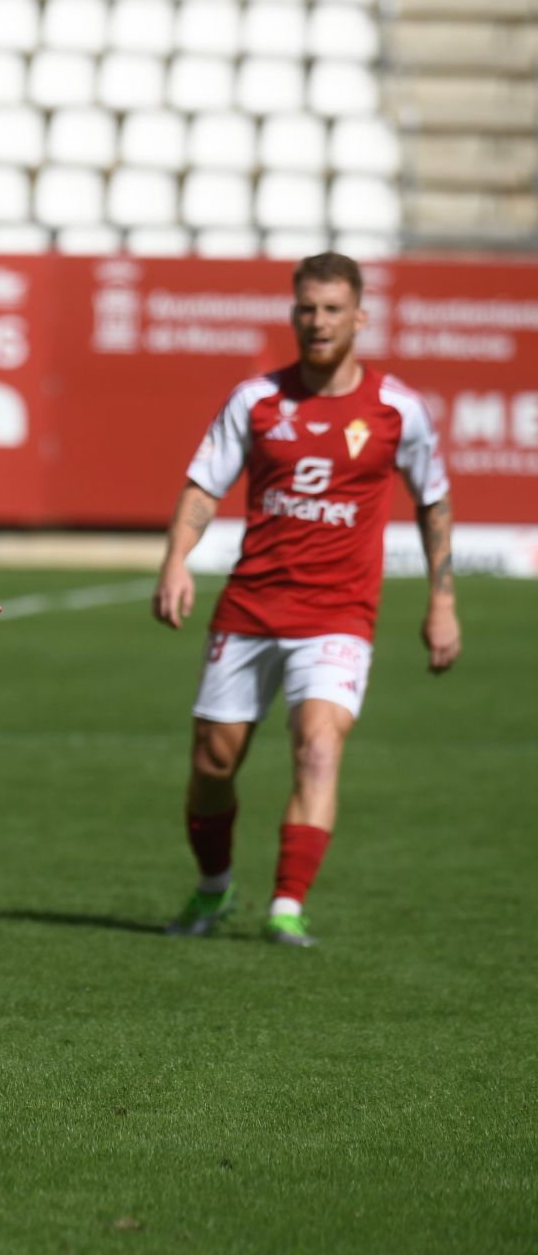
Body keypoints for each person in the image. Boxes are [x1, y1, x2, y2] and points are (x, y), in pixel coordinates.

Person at [153, 252, 459, 948]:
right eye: (306, 308)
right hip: (252, 606)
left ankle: (287, 905)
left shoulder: (396, 409)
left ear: (360, 315)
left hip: (339, 614)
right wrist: (175, 560)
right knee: (212, 764)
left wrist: (443, 601)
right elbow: (204, 485)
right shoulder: (256, 399)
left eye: (331, 309)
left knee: (318, 748)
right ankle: (214, 888)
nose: (317, 322)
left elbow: (434, 501)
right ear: (293, 312)